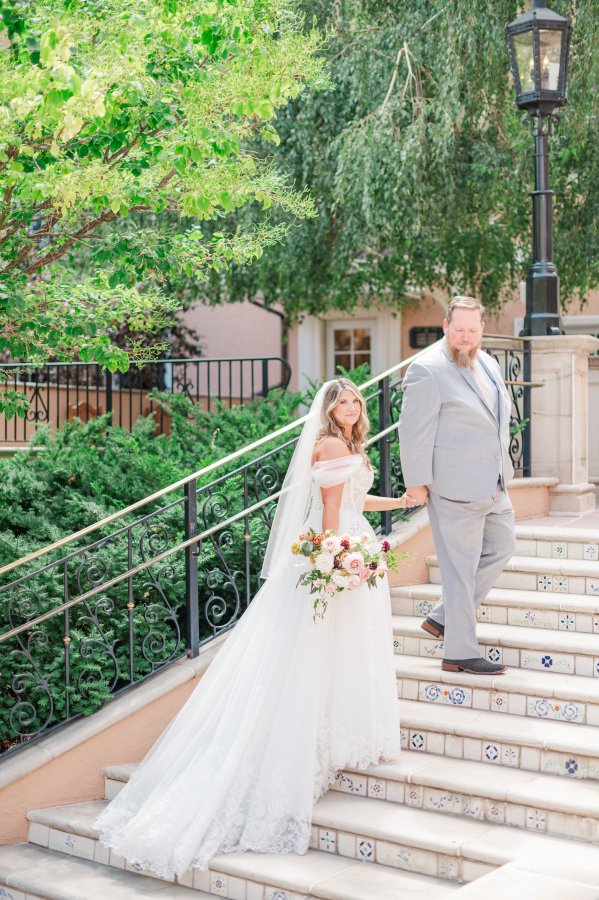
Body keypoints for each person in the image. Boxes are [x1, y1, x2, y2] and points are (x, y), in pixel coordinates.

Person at [94, 377, 418, 880]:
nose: (352, 406)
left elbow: (352, 502)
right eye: (343, 401)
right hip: (336, 550)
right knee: (321, 649)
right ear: (329, 409)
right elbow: (332, 511)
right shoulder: (331, 442)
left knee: (334, 650)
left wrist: (395, 506)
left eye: (355, 399)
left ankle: (327, 735)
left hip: (348, 543)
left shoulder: (348, 443)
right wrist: (334, 560)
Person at [398, 296, 517, 675]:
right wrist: (416, 484)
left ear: (482, 327)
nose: (465, 336)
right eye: (458, 329)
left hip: (494, 482)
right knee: (459, 571)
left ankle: (442, 616)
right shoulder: (427, 369)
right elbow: (412, 433)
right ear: (446, 325)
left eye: (472, 329)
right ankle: (460, 652)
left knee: (503, 547)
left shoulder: (489, 362)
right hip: (452, 488)